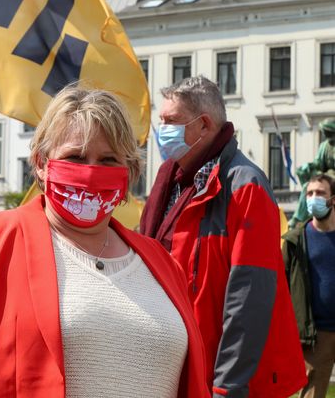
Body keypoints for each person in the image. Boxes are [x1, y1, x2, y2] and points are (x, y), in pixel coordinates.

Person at [0, 86, 208, 397]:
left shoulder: (162, 264)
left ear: (129, 170)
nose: (91, 171)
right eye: (75, 157)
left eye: (108, 160)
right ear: (42, 163)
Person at [139, 76, 305, 397]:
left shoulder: (245, 186)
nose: (161, 131)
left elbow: (248, 299)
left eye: (171, 121)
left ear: (203, 125)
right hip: (178, 365)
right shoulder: (169, 182)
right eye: (161, 121)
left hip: (224, 376)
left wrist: (226, 387)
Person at [283, 174, 335, 398]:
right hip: (315, 334)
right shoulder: (296, 240)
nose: (314, 198)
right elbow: (280, 288)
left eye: (320, 193)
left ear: (333, 199)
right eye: (310, 193)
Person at [291, 118, 335, 227]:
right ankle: (298, 219)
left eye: (328, 132)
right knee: (307, 186)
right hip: (326, 177)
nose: (326, 134)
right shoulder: (324, 145)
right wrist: (308, 166)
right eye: (325, 132)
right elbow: (318, 163)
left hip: (331, 178)